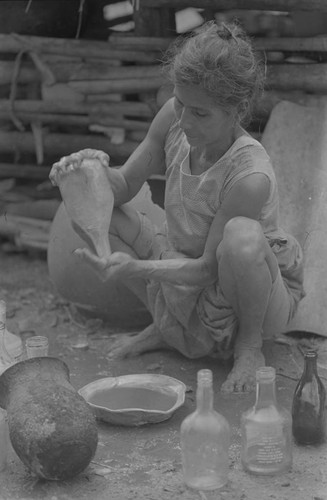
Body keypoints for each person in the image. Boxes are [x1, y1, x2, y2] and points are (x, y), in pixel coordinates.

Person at [50, 21, 305, 393]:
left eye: (200, 114)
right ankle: (168, 325)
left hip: (244, 291)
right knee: (93, 213)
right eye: (181, 104)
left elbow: (206, 270)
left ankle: (249, 348)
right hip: (184, 267)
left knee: (242, 238)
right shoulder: (174, 117)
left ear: (238, 109)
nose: (184, 121)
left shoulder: (250, 174)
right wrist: (91, 174)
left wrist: (134, 268)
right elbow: (122, 188)